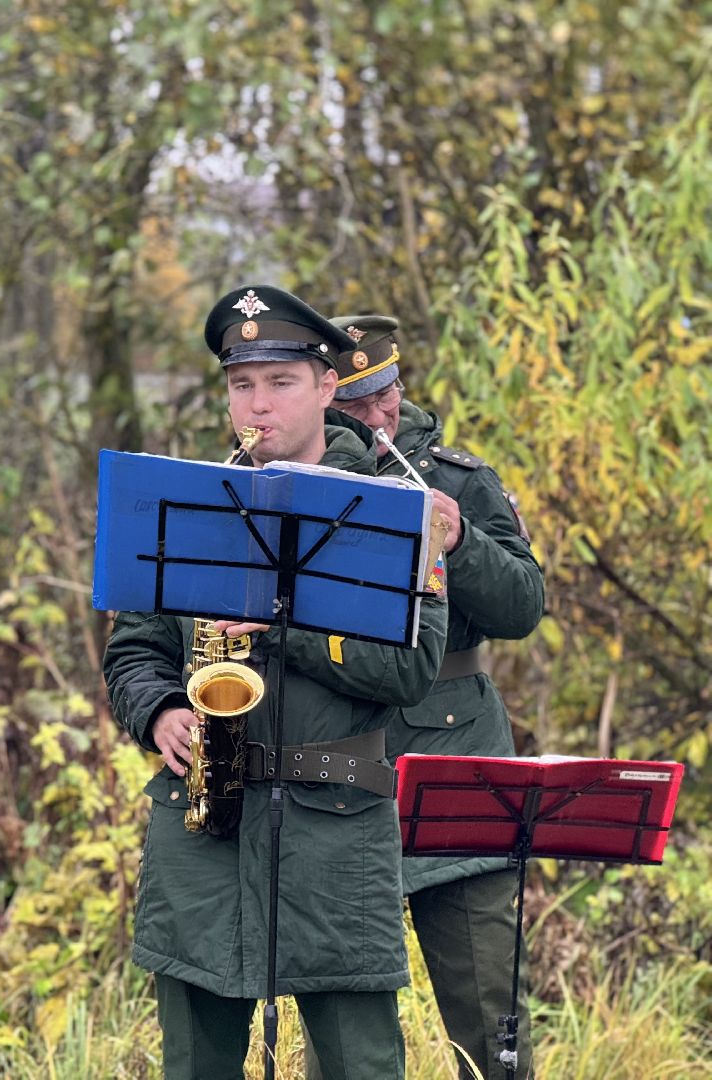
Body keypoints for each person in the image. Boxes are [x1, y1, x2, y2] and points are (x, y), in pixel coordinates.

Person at [103, 285, 449, 1080]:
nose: (256, 405)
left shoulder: (401, 512)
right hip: (206, 832)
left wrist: (284, 628)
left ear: (328, 388)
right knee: (197, 1061)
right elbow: (133, 650)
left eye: (281, 382)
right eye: (240, 384)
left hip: (337, 832)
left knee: (360, 1064)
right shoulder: (181, 505)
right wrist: (157, 712)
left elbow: (411, 668)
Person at [316, 314, 544, 1080]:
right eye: (354, 406)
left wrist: (463, 545)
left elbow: (524, 607)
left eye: (386, 394)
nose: (378, 416)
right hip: (342, 758)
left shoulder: (458, 478)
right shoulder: (298, 485)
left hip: (457, 751)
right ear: (320, 403)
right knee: (341, 1022)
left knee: (488, 1015)